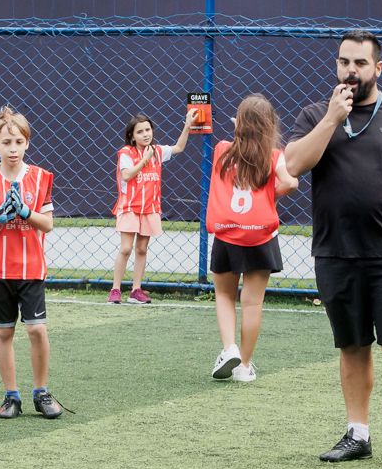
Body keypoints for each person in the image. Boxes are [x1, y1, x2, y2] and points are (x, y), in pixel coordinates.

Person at [284, 31, 382, 469]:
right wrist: (331, 119)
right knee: (352, 346)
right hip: (336, 252)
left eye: (360, 63)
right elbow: (294, 164)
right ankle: (358, 433)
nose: (350, 71)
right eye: (343, 62)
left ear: (378, 68)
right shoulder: (316, 114)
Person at [0, 107, 61, 419]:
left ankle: (42, 391)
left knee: (37, 330)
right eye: (6, 142)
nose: (12, 148)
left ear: (27, 144)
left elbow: (47, 224)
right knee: (3, 333)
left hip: (31, 269)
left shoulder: (41, 178)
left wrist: (24, 211)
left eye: (18, 142)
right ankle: (12, 396)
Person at [205, 94, 298, 384]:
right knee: (252, 303)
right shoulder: (274, 156)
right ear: (270, 125)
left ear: (239, 123)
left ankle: (229, 348)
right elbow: (290, 182)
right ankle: (244, 365)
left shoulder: (222, 149)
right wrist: (271, 193)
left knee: (224, 294)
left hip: (228, 233)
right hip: (261, 237)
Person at [110, 113, 193, 304]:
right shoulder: (126, 153)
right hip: (130, 206)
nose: (145, 134)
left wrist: (187, 125)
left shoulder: (157, 151)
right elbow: (127, 175)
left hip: (149, 207)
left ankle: (136, 290)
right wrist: (144, 160)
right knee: (126, 248)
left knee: (141, 249)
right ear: (132, 136)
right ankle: (115, 289)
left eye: (148, 130)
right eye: (140, 132)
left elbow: (179, 147)